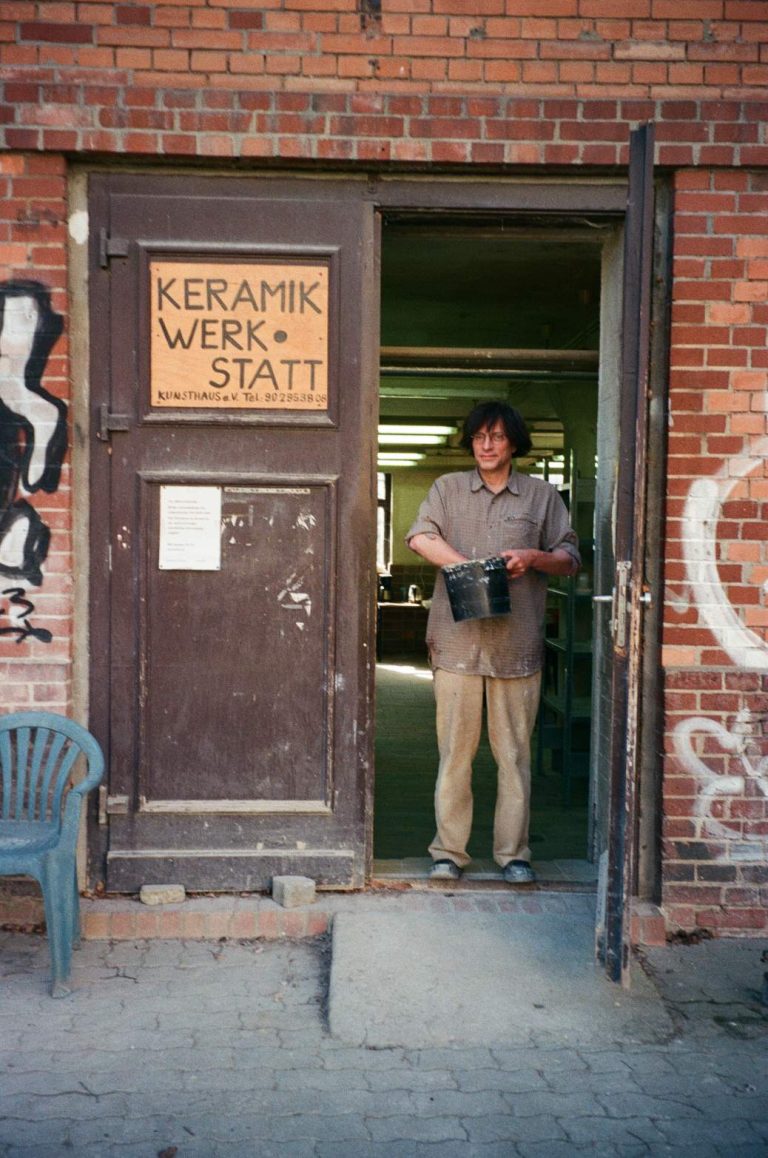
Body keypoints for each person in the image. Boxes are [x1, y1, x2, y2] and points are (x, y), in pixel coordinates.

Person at [406, 401, 580, 884]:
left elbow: (570, 557)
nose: (486, 445)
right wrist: (473, 569)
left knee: (515, 758)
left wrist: (533, 557)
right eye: (479, 437)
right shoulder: (446, 489)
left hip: (516, 648)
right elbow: (419, 536)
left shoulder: (542, 496)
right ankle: (448, 852)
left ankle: (514, 855)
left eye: (497, 436)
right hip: (456, 645)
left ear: (514, 443)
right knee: (454, 757)